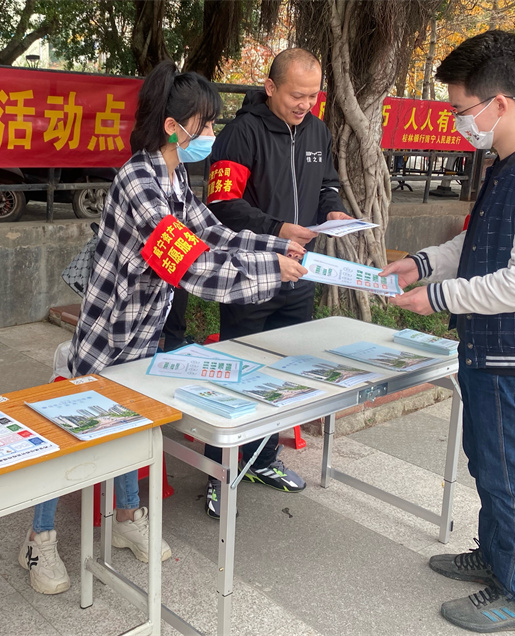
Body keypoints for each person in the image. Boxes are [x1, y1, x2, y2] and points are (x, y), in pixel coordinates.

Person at [20, 61, 307, 595]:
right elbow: (190, 262)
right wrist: (270, 271)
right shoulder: (137, 181)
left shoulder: (174, 180)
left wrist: (277, 246)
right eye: (204, 124)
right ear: (175, 126)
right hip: (107, 335)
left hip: (144, 334)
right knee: (73, 435)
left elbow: (215, 234)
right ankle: (38, 539)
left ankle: (127, 519)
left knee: (132, 426)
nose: (210, 135)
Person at [381, 30, 515, 633]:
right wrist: (420, 264)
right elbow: (477, 242)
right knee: (487, 461)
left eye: (461, 109)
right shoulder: (506, 163)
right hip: (485, 344)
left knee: (513, 472)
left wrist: (437, 295)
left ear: (499, 103)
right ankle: (494, 560)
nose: (456, 122)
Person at [199, 48, 352, 519]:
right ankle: (219, 474)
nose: (304, 104)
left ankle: (264, 460)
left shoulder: (318, 131)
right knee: (239, 375)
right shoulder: (241, 134)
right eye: (296, 94)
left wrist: (331, 210)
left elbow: (327, 182)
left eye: (312, 95)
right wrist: (277, 229)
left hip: (300, 273)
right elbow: (223, 203)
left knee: (283, 375)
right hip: (250, 274)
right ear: (271, 88)